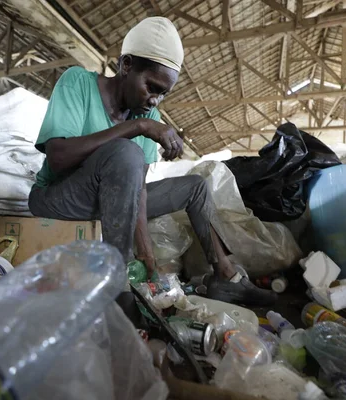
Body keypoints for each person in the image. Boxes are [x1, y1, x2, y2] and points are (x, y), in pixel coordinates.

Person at [29, 17, 276, 306]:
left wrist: (148, 256)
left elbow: (139, 191)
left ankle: (227, 276)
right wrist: (135, 128)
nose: (155, 100)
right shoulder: (78, 83)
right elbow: (58, 158)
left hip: (112, 199)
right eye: (152, 87)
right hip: (58, 197)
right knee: (125, 152)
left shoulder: (148, 116)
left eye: (163, 94)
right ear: (127, 65)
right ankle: (117, 283)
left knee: (195, 186)